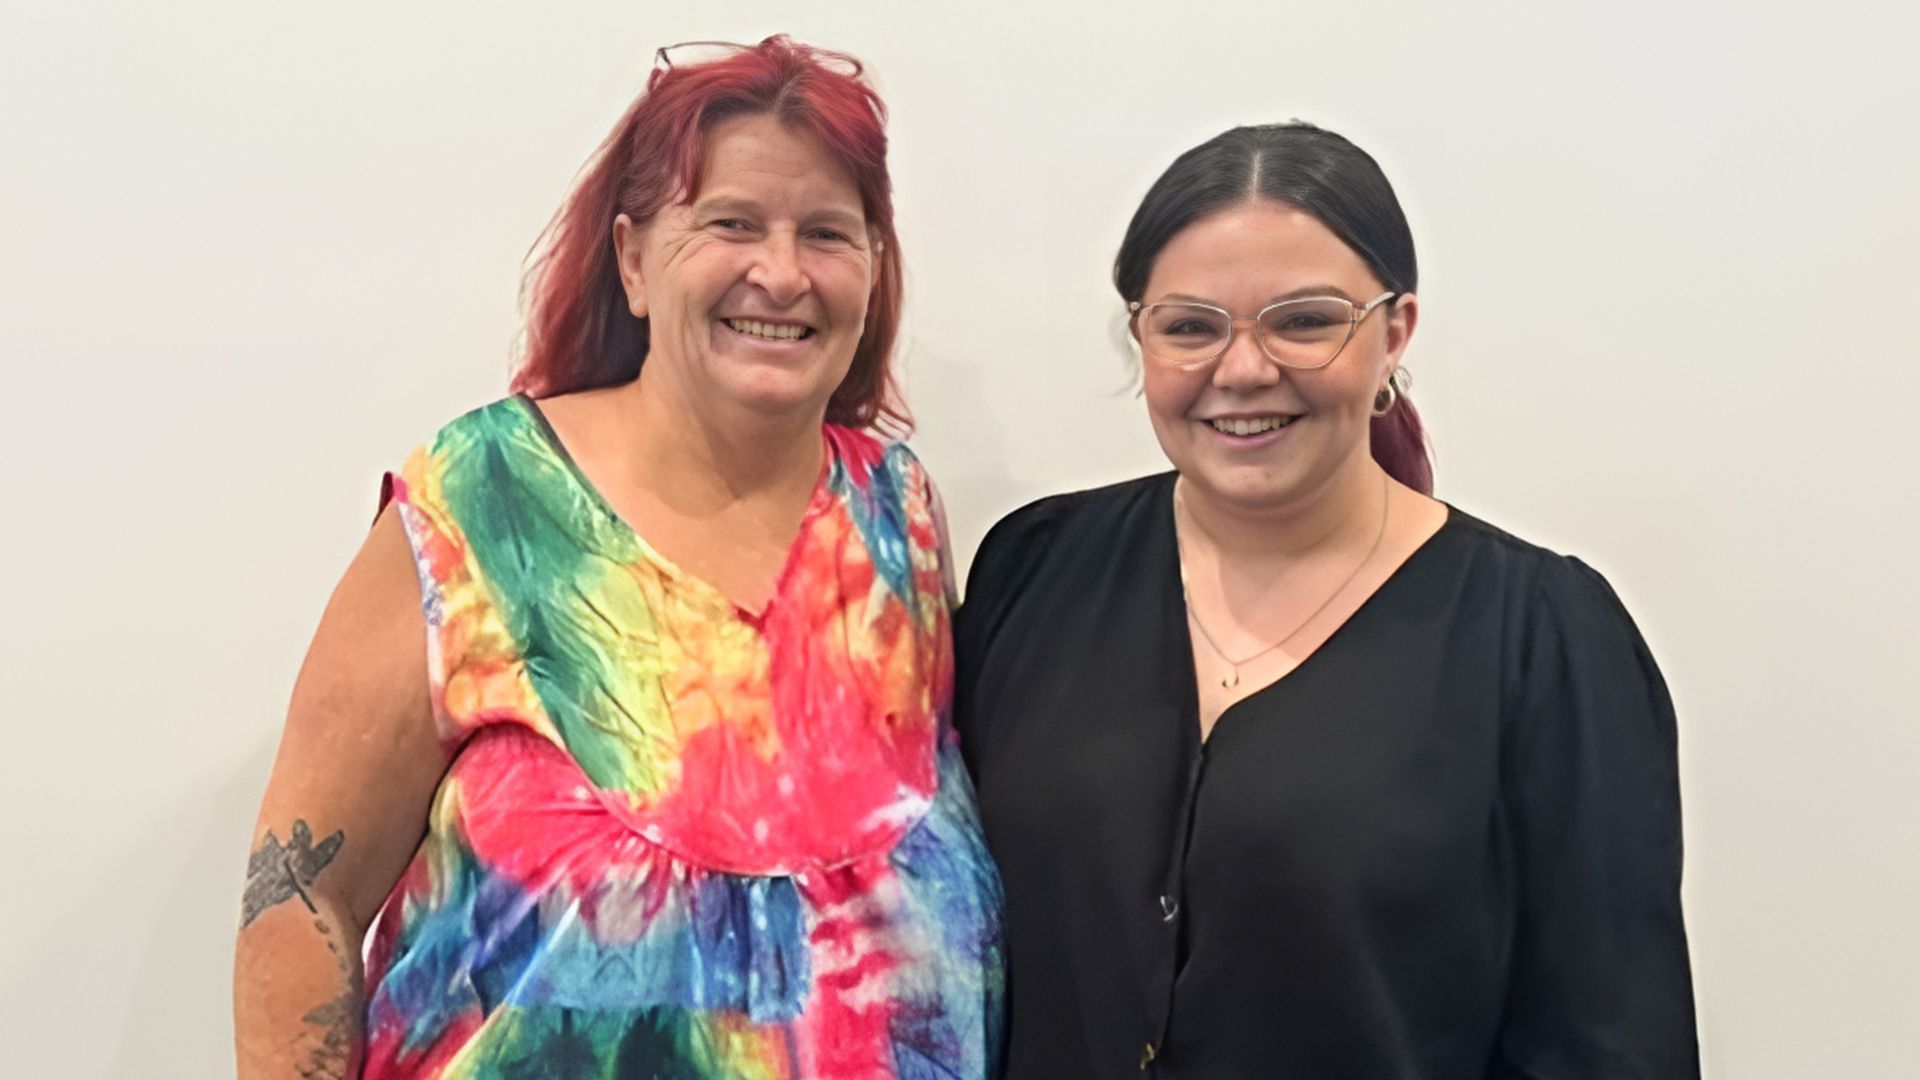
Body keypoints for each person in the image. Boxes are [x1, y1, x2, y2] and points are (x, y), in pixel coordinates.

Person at [233, 36, 1004, 1080]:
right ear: (635, 258)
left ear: (873, 268)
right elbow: (300, 897)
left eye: (827, 232)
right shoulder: (482, 502)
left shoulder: (897, 516)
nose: (781, 273)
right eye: (731, 222)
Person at [954, 122, 1697, 1078]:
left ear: (1395, 332)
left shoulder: (1541, 642)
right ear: (1141, 334)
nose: (1246, 368)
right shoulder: (1035, 572)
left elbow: (1611, 1045)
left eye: (1304, 320)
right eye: (1190, 325)